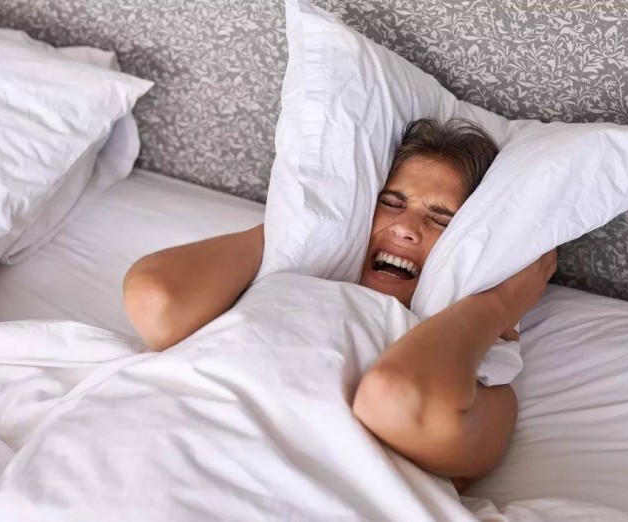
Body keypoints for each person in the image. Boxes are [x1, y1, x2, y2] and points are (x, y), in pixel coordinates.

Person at [122, 117, 557, 495]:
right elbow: (157, 299)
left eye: (441, 220)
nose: (405, 228)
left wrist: (503, 299)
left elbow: (400, 398)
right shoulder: (282, 284)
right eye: (391, 203)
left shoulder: (483, 375)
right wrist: (301, 227)